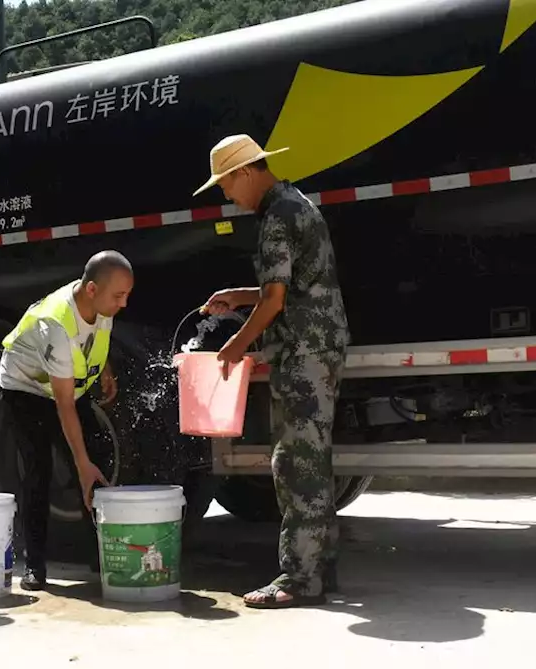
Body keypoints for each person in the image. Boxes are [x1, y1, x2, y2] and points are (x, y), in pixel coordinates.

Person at [195, 133, 351, 609]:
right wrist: (238, 297)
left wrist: (235, 348)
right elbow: (289, 283)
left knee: (296, 464)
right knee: (312, 461)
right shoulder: (293, 202)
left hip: (305, 349)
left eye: (226, 183)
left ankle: (299, 580)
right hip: (319, 343)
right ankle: (320, 568)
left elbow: (277, 300)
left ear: (245, 172)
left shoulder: (277, 216)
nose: (226, 194)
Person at [0, 250, 132, 591]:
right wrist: (80, 462)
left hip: (67, 386)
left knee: (96, 461)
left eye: (127, 295)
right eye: (119, 296)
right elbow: (63, 404)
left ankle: (100, 558)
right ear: (90, 290)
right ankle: (36, 567)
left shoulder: (102, 301)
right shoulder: (56, 324)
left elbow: (94, 340)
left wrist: (106, 371)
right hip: (25, 389)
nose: (124, 304)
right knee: (39, 469)